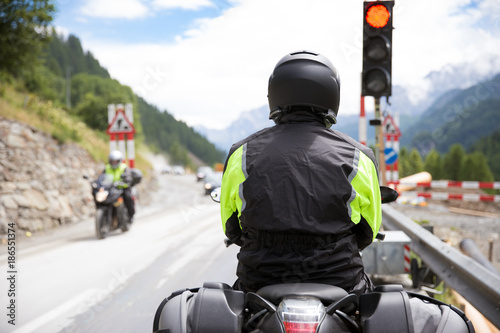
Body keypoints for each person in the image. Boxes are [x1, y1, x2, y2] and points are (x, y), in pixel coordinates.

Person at [220, 51, 381, 295]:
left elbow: (231, 227)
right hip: (340, 282)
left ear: (275, 94)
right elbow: (368, 230)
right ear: (331, 95)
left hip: (259, 282)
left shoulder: (240, 153)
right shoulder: (360, 156)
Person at [104, 150, 135, 222]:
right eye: (112, 161)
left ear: (119, 161)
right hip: (111, 189)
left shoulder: (124, 167)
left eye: (115, 161)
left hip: (123, 188)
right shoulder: (107, 167)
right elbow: (102, 177)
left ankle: (130, 216)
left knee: (128, 197)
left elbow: (128, 177)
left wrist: (126, 181)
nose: (114, 163)